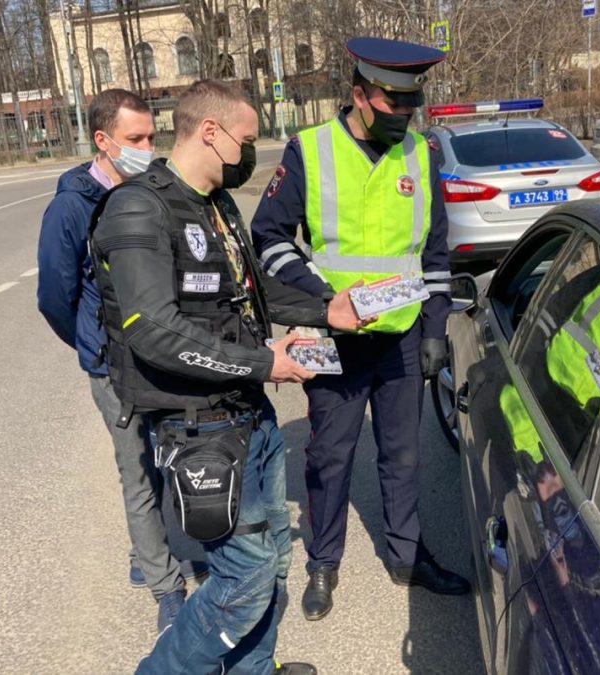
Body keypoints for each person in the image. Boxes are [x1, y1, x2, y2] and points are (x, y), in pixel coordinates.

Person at [90, 79, 367, 674]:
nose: (249, 154)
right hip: (200, 431)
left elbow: (250, 288)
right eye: (245, 140)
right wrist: (266, 361)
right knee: (243, 579)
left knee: (270, 567)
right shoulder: (141, 207)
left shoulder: (214, 204)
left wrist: (326, 310)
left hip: (250, 417)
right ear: (210, 132)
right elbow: (152, 329)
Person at [251, 37, 470, 622]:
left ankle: (407, 554)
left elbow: (435, 253)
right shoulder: (309, 150)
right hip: (335, 340)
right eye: (390, 104)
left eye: (410, 106)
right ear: (358, 95)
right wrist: (324, 298)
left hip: (400, 339)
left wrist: (435, 330)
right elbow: (268, 237)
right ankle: (323, 562)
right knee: (329, 458)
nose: (401, 117)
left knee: (404, 456)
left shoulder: (421, 154)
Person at [36, 88, 205, 633]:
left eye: (151, 136)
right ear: (102, 141)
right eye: (135, 139)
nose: (147, 147)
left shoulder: (151, 192)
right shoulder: (72, 206)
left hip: (159, 358)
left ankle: (151, 550)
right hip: (112, 368)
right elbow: (55, 296)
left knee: (173, 459)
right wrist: (92, 344)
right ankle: (163, 583)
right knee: (136, 470)